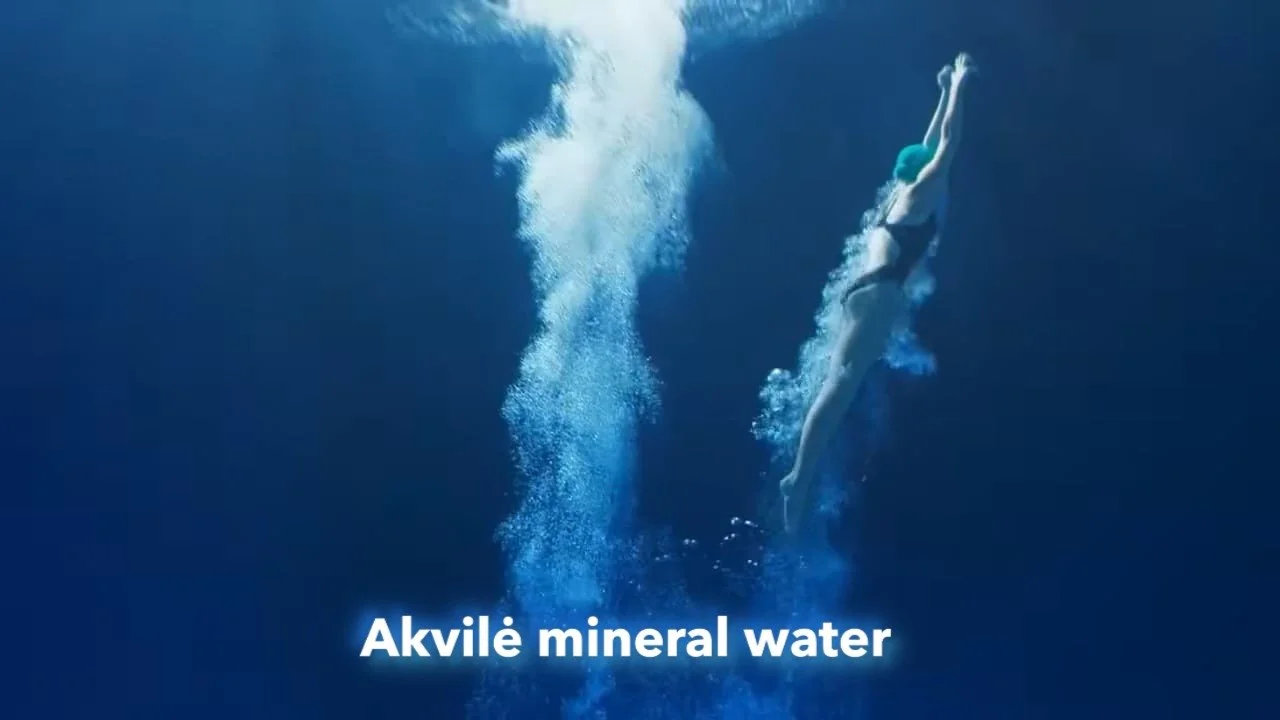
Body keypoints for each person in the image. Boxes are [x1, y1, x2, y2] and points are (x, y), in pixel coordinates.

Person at [780, 52, 978, 533]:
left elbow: (926, 144)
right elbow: (947, 142)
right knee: (841, 383)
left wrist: (940, 91)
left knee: (839, 380)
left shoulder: (899, 196)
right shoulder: (920, 194)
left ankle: (801, 472)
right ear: (922, 172)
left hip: (867, 293)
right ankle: (798, 479)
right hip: (879, 294)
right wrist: (959, 84)